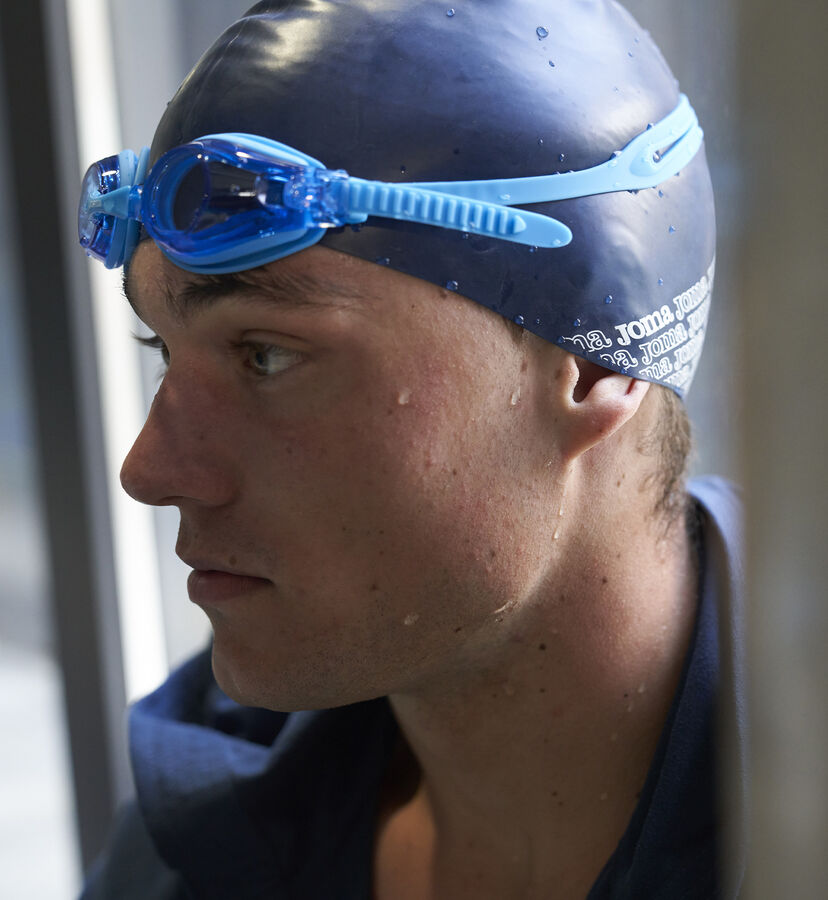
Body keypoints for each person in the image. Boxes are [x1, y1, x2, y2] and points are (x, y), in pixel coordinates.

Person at [78, 1, 746, 897]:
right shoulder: (193, 841)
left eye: (265, 355)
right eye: (164, 351)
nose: (149, 470)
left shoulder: (793, 820)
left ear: (590, 364)